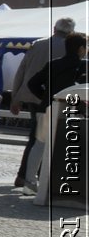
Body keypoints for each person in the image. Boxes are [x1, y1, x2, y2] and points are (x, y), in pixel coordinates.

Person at [10, 17, 75, 188]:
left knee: (35, 138)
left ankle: (24, 175)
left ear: (54, 28)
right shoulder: (71, 49)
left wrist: (15, 97)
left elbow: (22, 70)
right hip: (56, 98)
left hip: (32, 95)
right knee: (49, 140)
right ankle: (36, 176)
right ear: (71, 32)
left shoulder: (37, 44)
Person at [22, 32, 88, 191]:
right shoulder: (84, 65)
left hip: (46, 108)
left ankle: (30, 182)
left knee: (39, 145)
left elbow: (32, 83)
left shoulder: (53, 64)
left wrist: (45, 97)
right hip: (71, 111)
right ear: (80, 48)